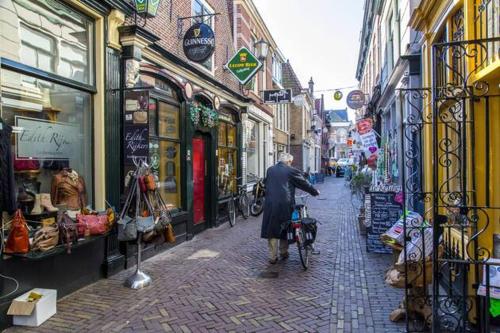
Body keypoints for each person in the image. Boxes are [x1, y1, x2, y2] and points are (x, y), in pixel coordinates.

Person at [261, 153, 320, 264]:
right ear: (288, 162)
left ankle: (272, 256)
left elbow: (266, 183)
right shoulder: (290, 170)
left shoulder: (270, 170)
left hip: (270, 204)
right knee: (285, 226)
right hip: (285, 203)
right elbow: (303, 184)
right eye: (291, 162)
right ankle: (283, 252)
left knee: (272, 229)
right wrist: (314, 192)